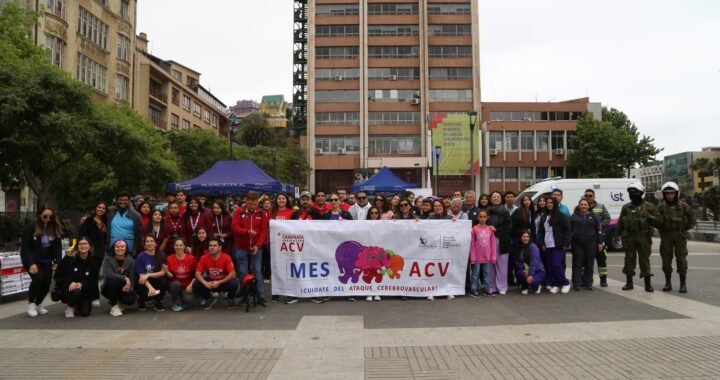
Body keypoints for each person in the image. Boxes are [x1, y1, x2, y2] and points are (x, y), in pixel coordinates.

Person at [616, 182, 662, 292]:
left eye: (635, 192)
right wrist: (617, 234)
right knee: (629, 259)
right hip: (629, 236)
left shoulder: (649, 207)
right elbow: (620, 222)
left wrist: (650, 217)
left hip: (643, 236)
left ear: (641, 193)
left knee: (644, 260)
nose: (632, 194)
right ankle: (629, 283)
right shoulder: (626, 207)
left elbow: (659, 221)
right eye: (630, 193)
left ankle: (647, 284)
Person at [21, 206, 63, 318]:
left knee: (46, 283)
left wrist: (57, 262)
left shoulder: (54, 228)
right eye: (45, 216)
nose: (48, 218)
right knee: (38, 279)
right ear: (39, 215)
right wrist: (31, 263)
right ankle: (30, 303)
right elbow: (25, 247)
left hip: (47, 260)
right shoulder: (31, 227)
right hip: (33, 260)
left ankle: (38, 303)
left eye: (50, 216)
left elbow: (58, 247)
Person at [657, 181, 696, 293]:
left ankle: (683, 284)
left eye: (672, 193)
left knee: (681, 260)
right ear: (664, 194)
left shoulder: (683, 206)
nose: (670, 195)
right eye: (667, 193)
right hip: (666, 236)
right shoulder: (660, 207)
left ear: (676, 193)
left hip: (679, 235)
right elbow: (656, 221)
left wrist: (684, 228)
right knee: (666, 259)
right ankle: (668, 283)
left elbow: (693, 219)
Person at [231, 191, 268, 304]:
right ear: (246, 201)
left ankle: (260, 296)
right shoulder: (238, 211)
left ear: (258, 202)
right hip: (241, 247)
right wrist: (246, 232)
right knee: (242, 272)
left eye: (254, 204)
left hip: (256, 247)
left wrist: (258, 245)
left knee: (257, 271)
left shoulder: (262, 213)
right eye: (250, 204)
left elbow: (263, 231)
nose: (252, 206)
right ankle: (244, 295)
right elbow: (234, 227)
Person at [54, 237, 99, 317]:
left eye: (85, 244)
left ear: (90, 246)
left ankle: (77, 304)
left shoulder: (94, 262)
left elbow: (93, 280)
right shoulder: (68, 259)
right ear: (77, 246)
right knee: (75, 291)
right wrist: (70, 283)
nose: (83, 246)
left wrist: (82, 284)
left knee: (85, 313)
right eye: (80, 244)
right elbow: (58, 276)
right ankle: (70, 306)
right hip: (69, 289)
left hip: (85, 290)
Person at [193, 237, 239, 309]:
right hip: (211, 282)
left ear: (220, 247)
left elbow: (233, 274)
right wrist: (205, 283)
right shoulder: (203, 258)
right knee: (196, 283)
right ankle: (209, 298)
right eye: (210, 245)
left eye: (214, 245)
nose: (212, 247)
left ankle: (230, 298)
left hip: (223, 282)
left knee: (234, 283)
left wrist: (220, 282)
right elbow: (197, 274)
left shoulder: (226, 257)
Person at [538, 197, 572, 294]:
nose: (549, 204)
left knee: (556, 265)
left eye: (551, 203)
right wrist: (542, 244)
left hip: (558, 245)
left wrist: (566, 243)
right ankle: (555, 284)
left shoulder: (562, 216)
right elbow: (540, 232)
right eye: (548, 203)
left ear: (555, 204)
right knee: (550, 266)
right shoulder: (544, 216)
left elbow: (567, 230)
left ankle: (565, 283)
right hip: (547, 245)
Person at [78, 201, 108, 307]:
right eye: (99, 207)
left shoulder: (106, 222)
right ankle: (84, 296)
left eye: (103, 208)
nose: (101, 209)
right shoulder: (88, 221)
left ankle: (95, 297)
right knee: (86, 274)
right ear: (95, 208)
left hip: (99, 253)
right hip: (88, 252)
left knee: (95, 275)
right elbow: (82, 235)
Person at [570, 199, 603, 290]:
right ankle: (577, 283)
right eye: (582, 204)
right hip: (577, 243)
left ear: (588, 206)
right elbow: (569, 230)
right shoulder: (573, 216)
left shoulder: (595, 217)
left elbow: (599, 231)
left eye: (585, 204)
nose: (583, 206)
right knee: (577, 264)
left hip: (591, 243)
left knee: (589, 264)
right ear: (579, 205)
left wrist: (600, 242)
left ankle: (589, 283)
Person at [583, 189, 611, 287]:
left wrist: (601, 225)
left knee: (601, 259)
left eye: (590, 195)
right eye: (586, 195)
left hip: (599, 237)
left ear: (594, 196)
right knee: (585, 259)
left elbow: (607, 218)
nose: (588, 197)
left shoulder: (601, 206)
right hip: (586, 238)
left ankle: (603, 279)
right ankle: (584, 279)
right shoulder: (581, 206)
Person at [102, 240, 137, 317]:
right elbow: (108, 274)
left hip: (124, 287)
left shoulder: (131, 261)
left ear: (126, 248)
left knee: (131, 300)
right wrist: (125, 278)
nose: (120, 248)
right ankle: (114, 306)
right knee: (113, 280)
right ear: (114, 248)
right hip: (109, 287)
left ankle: (119, 301)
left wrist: (129, 287)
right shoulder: (108, 259)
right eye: (117, 247)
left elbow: (132, 277)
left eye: (122, 246)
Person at [486, 192, 512, 295]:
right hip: (487, 241)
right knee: (490, 264)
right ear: (491, 199)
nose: (496, 198)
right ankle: (491, 287)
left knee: (502, 265)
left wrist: (496, 229)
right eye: (494, 197)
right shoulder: (487, 211)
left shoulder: (505, 212)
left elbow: (509, 227)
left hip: (502, 241)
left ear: (501, 199)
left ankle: (502, 287)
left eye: (498, 197)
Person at [134, 235, 168, 311]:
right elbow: (142, 276)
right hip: (144, 281)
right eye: (147, 241)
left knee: (164, 281)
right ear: (144, 244)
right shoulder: (140, 257)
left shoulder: (162, 255)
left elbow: (163, 272)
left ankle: (157, 301)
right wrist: (151, 288)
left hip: (156, 279)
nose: (149, 243)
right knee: (140, 282)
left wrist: (148, 274)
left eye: (152, 241)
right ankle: (142, 299)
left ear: (156, 243)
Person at [164, 238, 197, 311]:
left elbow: (196, 274)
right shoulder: (169, 258)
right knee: (176, 284)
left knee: (189, 300)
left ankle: (182, 299)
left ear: (184, 246)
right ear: (174, 246)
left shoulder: (191, 258)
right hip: (175, 285)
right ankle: (175, 301)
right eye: (176, 245)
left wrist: (191, 285)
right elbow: (171, 276)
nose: (178, 247)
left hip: (187, 286)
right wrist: (167, 272)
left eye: (181, 245)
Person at [469, 210, 496, 298]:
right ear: (477, 218)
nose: (482, 218)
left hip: (487, 256)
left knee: (487, 274)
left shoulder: (490, 229)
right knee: (475, 274)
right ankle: (474, 289)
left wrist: (493, 256)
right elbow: (472, 244)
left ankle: (487, 289)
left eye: (484, 217)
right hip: (477, 257)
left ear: (487, 218)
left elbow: (493, 244)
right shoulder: (474, 229)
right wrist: (472, 257)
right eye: (480, 216)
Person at [107, 192, 143, 256]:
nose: (123, 202)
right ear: (116, 200)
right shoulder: (110, 211)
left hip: (129, 249)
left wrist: (135, 249)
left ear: (129, 201)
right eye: (120, 200)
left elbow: (138, 234)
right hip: (112, 248)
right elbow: (99, 212)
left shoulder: (136, 215)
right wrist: (86, 217)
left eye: (125, 200)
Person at [510, 195, 534, 287]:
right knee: (519, 260)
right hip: (519, 239)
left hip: (531, 239)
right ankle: (520, 280)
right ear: (522, 202)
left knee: (529, 259)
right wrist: (517, 237)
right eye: (525, 200)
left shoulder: (533, 211)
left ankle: (531, 279)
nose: (527, 202)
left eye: (528, 200)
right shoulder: (518, 211)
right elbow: (512, 226)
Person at [515, 230, 545, 295]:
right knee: (520, 272)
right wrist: (525, 269)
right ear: (520, 237)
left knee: (533, 284)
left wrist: (530, 274)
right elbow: (519, 262)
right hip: (526, 269)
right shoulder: (519, 247)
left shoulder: (533, 247)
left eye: (527, 236)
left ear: (530, 237)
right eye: (524, 236)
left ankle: (537, 286)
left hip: (538, 270)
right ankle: (524, 287)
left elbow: (534, 262)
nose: (526, 238)